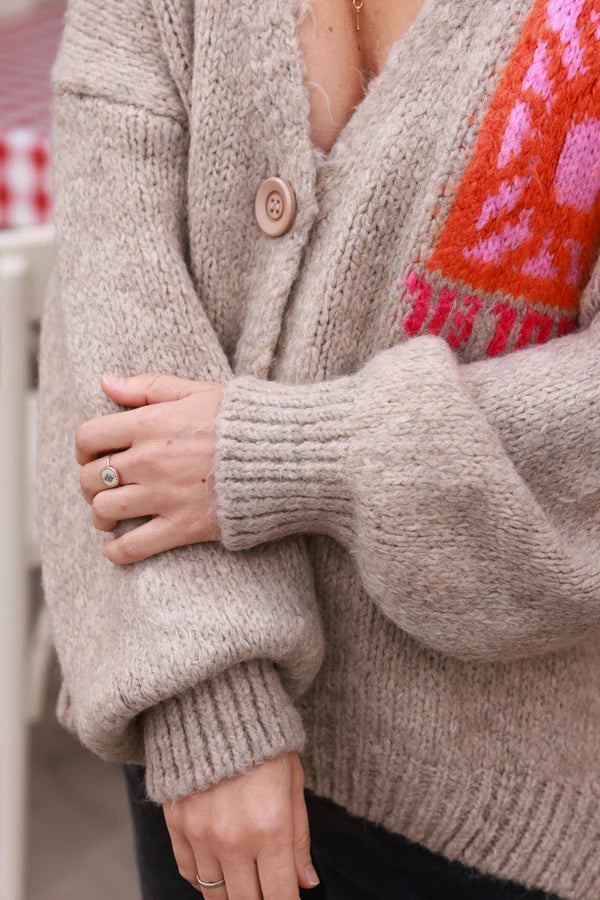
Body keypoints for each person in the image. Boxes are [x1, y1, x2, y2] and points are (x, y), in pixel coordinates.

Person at [36, 0, 600, 898]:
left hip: (505, 798)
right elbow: (111, 310)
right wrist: (208, 699)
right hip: (205, 764)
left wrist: (294, 455)